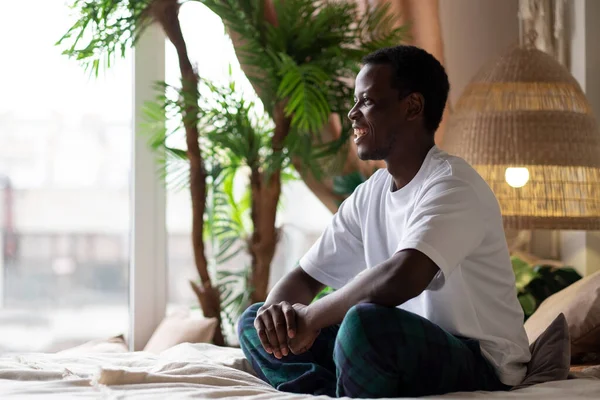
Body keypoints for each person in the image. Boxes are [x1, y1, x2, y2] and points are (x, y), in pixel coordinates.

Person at [237, 45, 531, 398]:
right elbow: (304, 277)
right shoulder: (370, 193)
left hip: (479, 360)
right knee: (254, 320)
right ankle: (320, 392)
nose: (352, 114)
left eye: (367, 101)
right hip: (397, 348)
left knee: (363, 325)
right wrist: (276, 316)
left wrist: (311, 319)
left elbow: (402, 276)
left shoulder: (454, 184)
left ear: (412, 107)